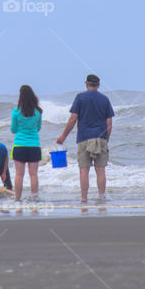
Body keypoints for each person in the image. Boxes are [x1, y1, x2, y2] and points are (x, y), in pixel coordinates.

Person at [56, 74, 114, 202]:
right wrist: (106, 139)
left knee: (84, 169)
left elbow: (73, 119)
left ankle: (84, 199)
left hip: (83, 138)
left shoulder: (80, 98)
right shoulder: (105, 99)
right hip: (100, 137)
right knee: (100, 169)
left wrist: (63, 136)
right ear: (98, 85)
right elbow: (109, 123)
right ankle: (101, 197)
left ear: (86, 84)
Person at [11, 84, 43, 201]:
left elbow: (13, 129)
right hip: (34, 145)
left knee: (19, 174)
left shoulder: (16, 112)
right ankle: (34, 198)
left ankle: (17, 199)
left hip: (19, 145)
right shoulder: (38, 112)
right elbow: (38, 128)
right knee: (33, 174)